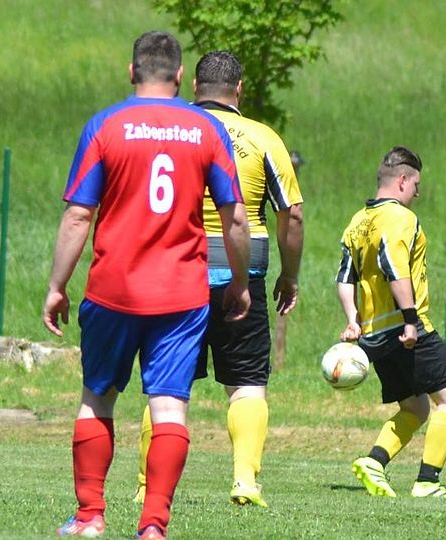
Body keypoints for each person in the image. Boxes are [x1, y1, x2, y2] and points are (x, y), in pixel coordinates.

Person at [43, 31, 250, 540]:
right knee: (169, 407)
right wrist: (240, 282)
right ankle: (154, 524)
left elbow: (78, 215)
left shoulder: (105, 125)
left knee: (98, 398)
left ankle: (90, 516)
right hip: (181, 293)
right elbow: (236, 218)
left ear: (131, 71)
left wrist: (57, 285)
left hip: (112, 289)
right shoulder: (207, 129)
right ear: (180, 76)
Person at [135, 50, 304, 509]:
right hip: (241, 274)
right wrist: (290, 275)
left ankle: (149, 487)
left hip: (176, 272)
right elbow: (292, 214)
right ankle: (245, 480)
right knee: (247, 382)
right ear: (239, 89)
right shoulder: (263, 138)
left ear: (194, 86)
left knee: (168, 384)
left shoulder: (171, 130)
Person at [336, 146, 446, 499]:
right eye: (417, 185)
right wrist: (410, 322)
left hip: (374, 333)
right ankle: (427, 481)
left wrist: (353, 321)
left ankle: (374, 462)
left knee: (415, 407)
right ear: (403, 180)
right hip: (406, 327)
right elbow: (396, 268)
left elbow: (345, 277)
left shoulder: (358, 221)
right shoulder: (401, 218)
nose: (418, 194)